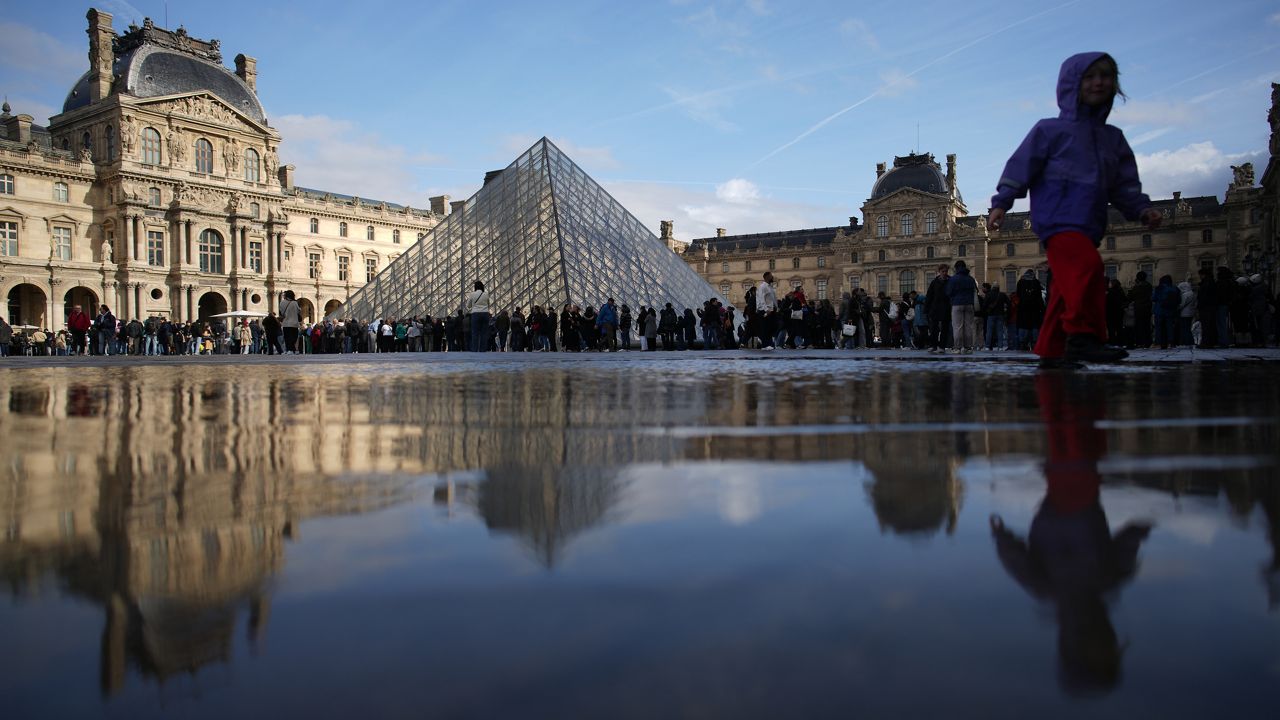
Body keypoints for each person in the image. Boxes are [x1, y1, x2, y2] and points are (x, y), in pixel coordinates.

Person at [989, 52, 1160, 367]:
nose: (1098, 82)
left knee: (1065, 290)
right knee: (1089, 269)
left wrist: (1142, 209)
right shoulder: (1049, 130)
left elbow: (1124, 185)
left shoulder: (1113, 138)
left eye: (1105, 75)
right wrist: (1002, 202)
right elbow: (1020, 166)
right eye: (1090, 76)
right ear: (1072, 84)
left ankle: (1052, 349)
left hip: (1090, 222)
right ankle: (1083, 338)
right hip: (1057, 219)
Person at [946, 260, 978, 354]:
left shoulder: (953, 279)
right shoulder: (971, 279)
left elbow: (948, 292)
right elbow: (975, 291)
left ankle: (958, 347)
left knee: (957, 327)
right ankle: (968, 347)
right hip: (969, 304)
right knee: (968, 327)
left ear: (956, 268)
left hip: (957, 304)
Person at [924, 264, 951, 354]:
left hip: (946, 308)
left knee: (944, 329)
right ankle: (933, 345)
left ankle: (942, 346)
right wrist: (926, 309)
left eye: (946, 271)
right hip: (935, 308)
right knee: (933, 329)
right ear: (939, 272)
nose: (944, 273)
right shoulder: (934, 282)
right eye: (943, 271)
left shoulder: (950, 281)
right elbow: (929, 296)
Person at [465, 281, 490, 352]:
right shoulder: (486, 294)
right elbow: (488, 304)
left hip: (475, 314)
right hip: (485, 313)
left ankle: (475, 349)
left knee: (475, 332)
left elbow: (468, 305)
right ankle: (483, 349)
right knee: (484, 333)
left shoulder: (472, 294)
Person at [755, 271, 778, 349]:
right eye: (771, 276)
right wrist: (765, 309)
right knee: (765, 328)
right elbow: (761, 299)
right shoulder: (763, 287)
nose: (772, 277)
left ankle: (769, 344)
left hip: (771, 310)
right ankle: (765, 345)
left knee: (770, 327)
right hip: (765, 310)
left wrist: (776, 307)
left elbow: (773, 299)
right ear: (767, 277)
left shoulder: (770, 287)